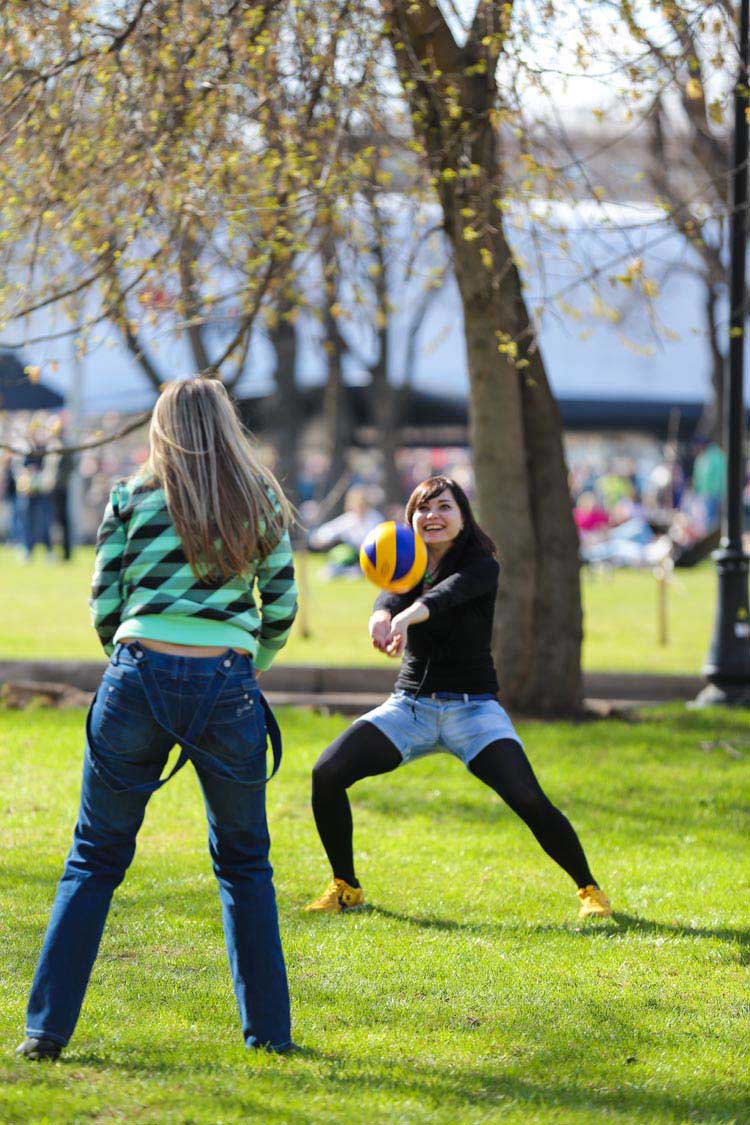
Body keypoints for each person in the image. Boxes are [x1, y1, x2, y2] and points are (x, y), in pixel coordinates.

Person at [17, 378, 299, 1061]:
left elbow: (102, 604)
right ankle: (269, 1034)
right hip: (228, 681)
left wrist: (131, 657)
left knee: (93, 857)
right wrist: (243, 659)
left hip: (137, 671)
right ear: (226, 423)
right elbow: (283, 605)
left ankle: (45, 1032)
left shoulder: (131, 495)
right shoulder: (258, 495)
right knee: (244, 863)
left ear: (161, 426)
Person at [305, 475, 611, 919]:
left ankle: (590, 891)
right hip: (410, 707)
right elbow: (391, 590)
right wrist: (378, 616)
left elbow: (447, 596)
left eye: (445, 507)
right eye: (423, 509)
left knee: (527, 797)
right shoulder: (407, 562)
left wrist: (404, 618)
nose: (433, 516)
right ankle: (346, 887)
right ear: (411, 518)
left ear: (464, 517)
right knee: (327, 772)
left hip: (474, 710)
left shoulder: (483, 564)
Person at [308, 485, 383, 578]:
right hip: (354, 555)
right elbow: (331, 529)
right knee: (341, 552)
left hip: (372, 556)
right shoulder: (350, 518)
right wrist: (318, 537)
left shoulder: (375, 518)